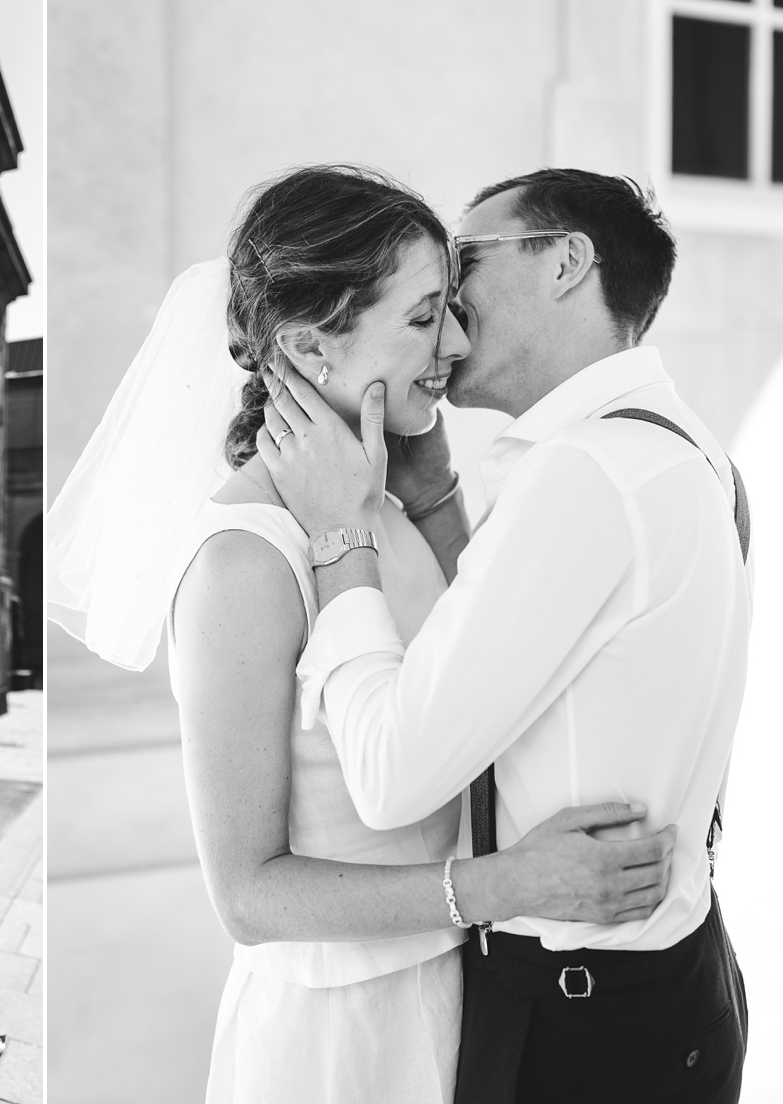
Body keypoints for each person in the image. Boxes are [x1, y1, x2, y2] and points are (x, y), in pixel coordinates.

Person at [47, 165, 680, 1104]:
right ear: (308, 345)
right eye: (425, 317)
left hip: (465, 998)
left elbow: (477, 688)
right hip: (338, 1044)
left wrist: (433, 500)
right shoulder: (242, 561)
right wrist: (509, 886)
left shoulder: (387, 505)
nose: (457, 343)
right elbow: (249, 896)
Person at [261, 168, 750, 1103]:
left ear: (565, 261)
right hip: (678, 988)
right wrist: (439, 505)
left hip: (580, 1028)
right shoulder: (694, 453)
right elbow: (536, 667)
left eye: (465, 260)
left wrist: (340, 536)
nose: (450, 307)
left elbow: (394, 771)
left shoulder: (584, 475)